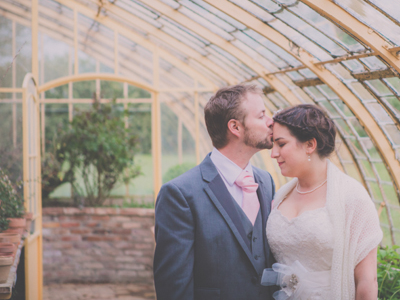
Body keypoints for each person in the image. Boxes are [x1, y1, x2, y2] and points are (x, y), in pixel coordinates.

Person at [153, 84, 277, 300]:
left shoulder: (266, 181)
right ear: (235, 127)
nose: (271, 122)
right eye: (262, 115)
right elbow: (174, 286)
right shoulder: (180, 194)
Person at [263, 104, 382, 300]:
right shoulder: (281, 195)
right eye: (273, 144)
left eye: (281, 144)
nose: (273, 153)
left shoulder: (352, 197)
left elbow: (367, 282)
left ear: (310, 145)